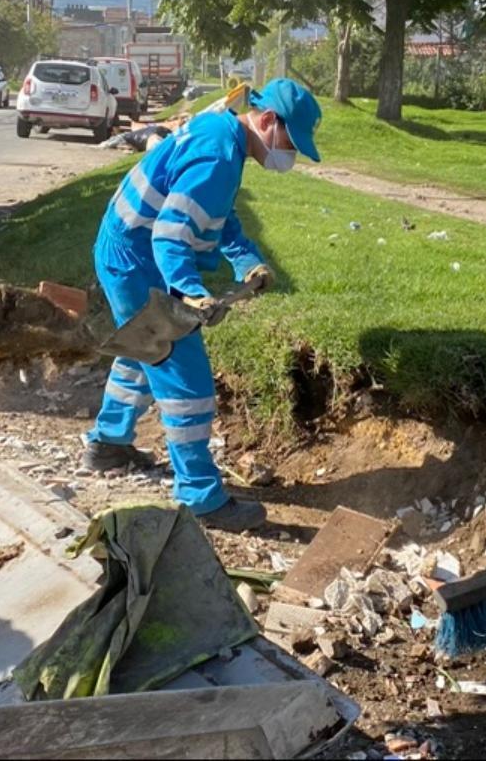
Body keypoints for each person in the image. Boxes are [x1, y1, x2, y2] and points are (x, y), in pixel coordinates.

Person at [81, 78, 322, 532]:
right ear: (269, 121)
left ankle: (107, 443)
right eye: (291, 143)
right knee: (184, 374)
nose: (290, 154)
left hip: (128, 249)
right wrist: (188, 290)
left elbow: (217, 214)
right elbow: (171, 231)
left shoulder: (223, 136)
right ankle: (201, 496)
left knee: (144, 352)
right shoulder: (218, 153)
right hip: (139, 258)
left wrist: (246, 260)